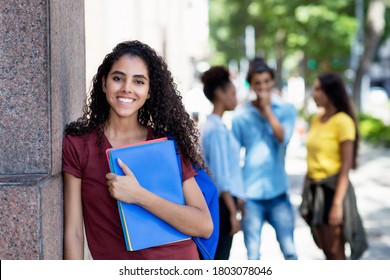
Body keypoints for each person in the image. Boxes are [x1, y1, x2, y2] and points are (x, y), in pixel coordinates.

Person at [62, 40, 213, 260]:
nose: (127, 88)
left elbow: (203, 225)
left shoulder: (167, 144)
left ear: (149, 91)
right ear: (104, 83)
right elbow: (74, 233)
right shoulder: (78, 145)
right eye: (118, 78)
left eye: (138, 81)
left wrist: (139, 195)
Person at [231, 58, 298, 260]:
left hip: (278, 192)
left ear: (273, 82)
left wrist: (267, 110)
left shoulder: (287, 109)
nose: (262, 87)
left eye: (266, 81)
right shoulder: (240, 116)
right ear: (251, 85)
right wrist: (238, 194)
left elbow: (282, 139)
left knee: (290, 251)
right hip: (251, 196)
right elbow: (234, 157)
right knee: (252, 255)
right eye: (257, 83)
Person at [300, 73, 368, 260]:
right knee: (325, 250)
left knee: (336, 252)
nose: (314, 94)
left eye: (318, 89)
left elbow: (346, 168)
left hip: (333, 190)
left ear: (330, 92)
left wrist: (337, 205)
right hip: (315, 190)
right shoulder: (316, 119)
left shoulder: (343, 122)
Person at [199, 66, 244, 260]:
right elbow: (219, 175)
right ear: (220, 93)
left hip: (220, 203)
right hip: (220, 205)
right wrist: (233, 212)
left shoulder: (212, 126)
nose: (236, 98)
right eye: (233, 93)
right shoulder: (215, 129)